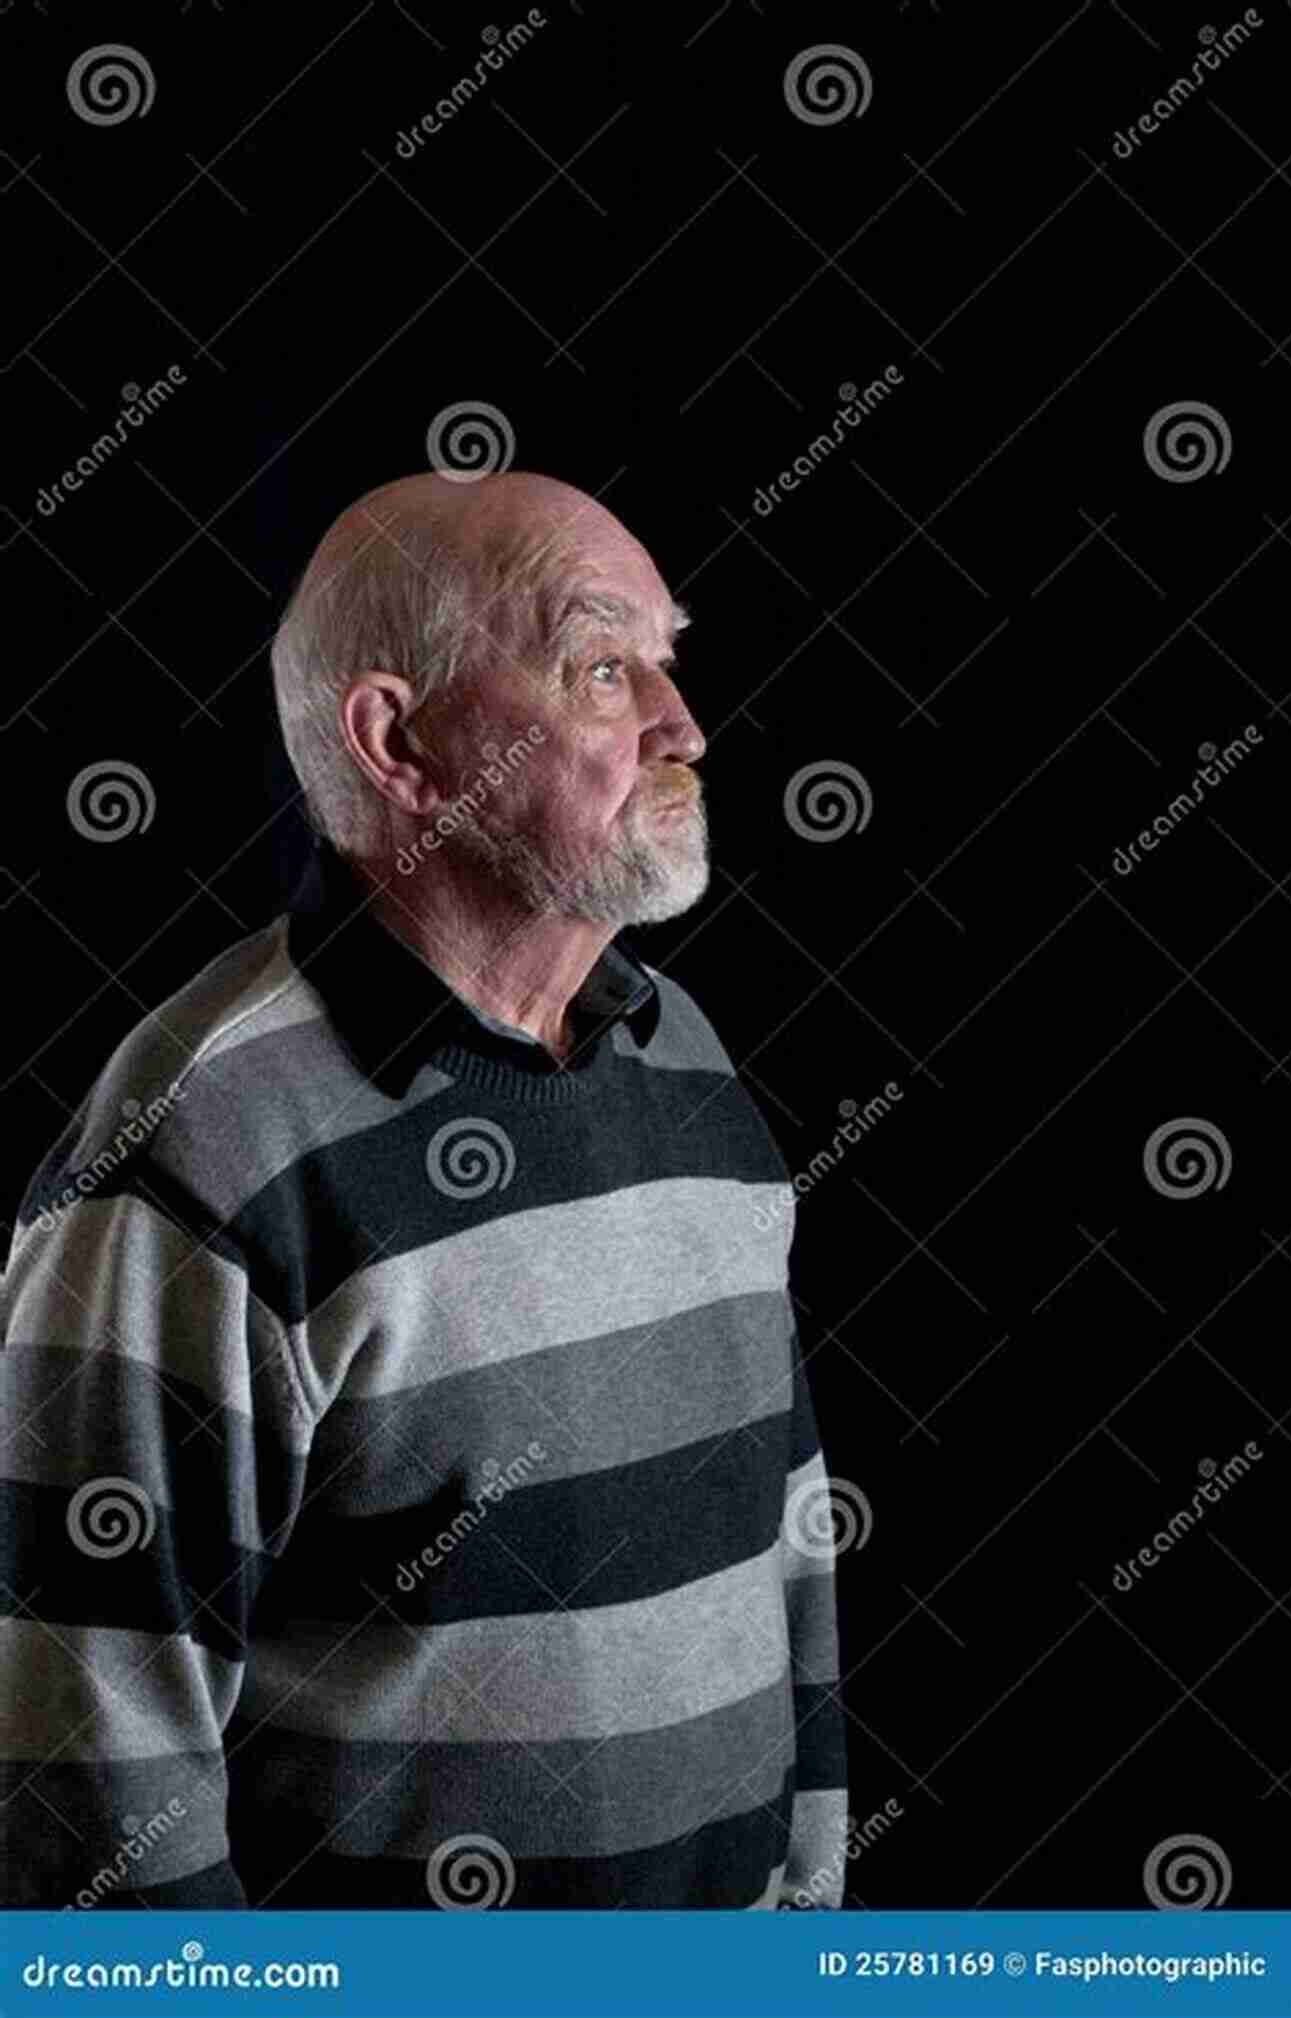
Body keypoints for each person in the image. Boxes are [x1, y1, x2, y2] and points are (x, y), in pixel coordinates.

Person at [0, 471, 848, 1909]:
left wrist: (815, 1921)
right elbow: (85, 1798)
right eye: (599, 666)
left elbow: (791, 1545)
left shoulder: (684, 1059)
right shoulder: (193, 1153)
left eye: (668, 660)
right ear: (399, 743)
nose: (682, 726)